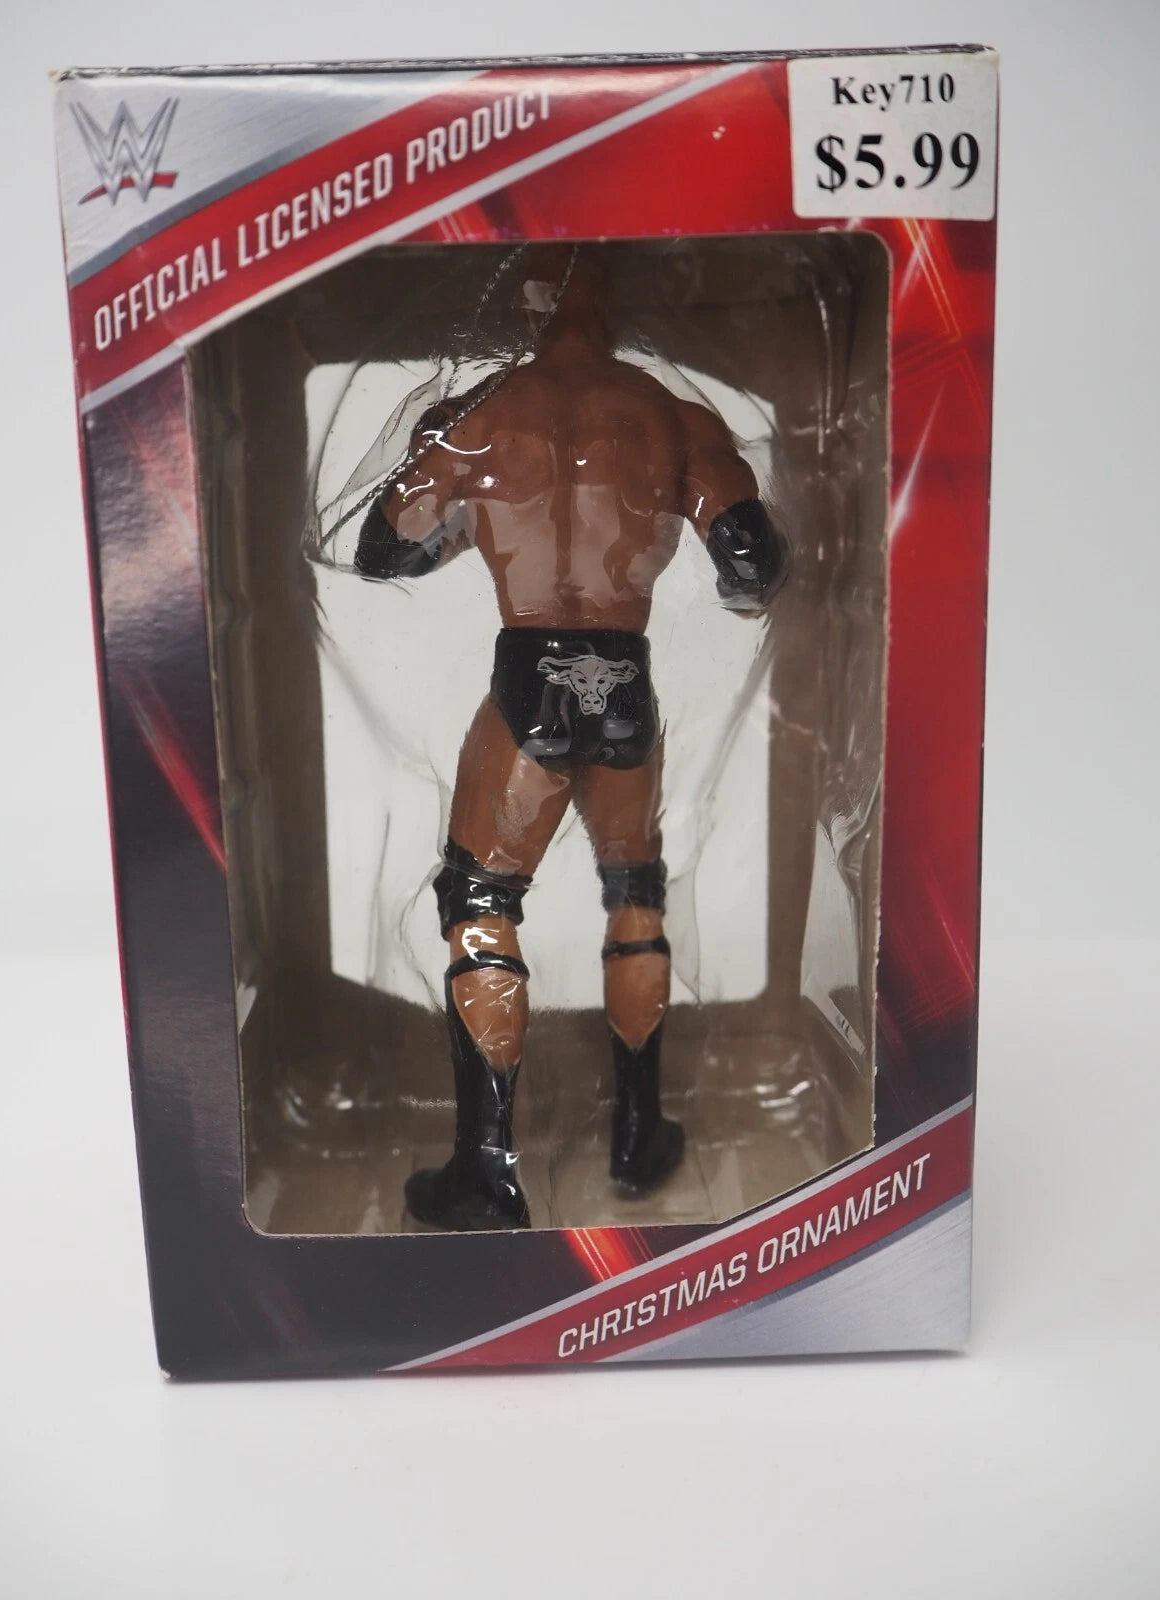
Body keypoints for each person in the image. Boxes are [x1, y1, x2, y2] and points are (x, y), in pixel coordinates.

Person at [353, 247, 788, 1230]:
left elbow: (382, 547)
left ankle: (488, 1167)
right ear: (613, 300)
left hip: (529, 679)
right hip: (627, 677)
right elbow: (752, 560)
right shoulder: (672, 416)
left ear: (531, 298)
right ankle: (639, 1133)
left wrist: (472, 519)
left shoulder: (483, 414)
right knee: (636, 892)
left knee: (479, 898)